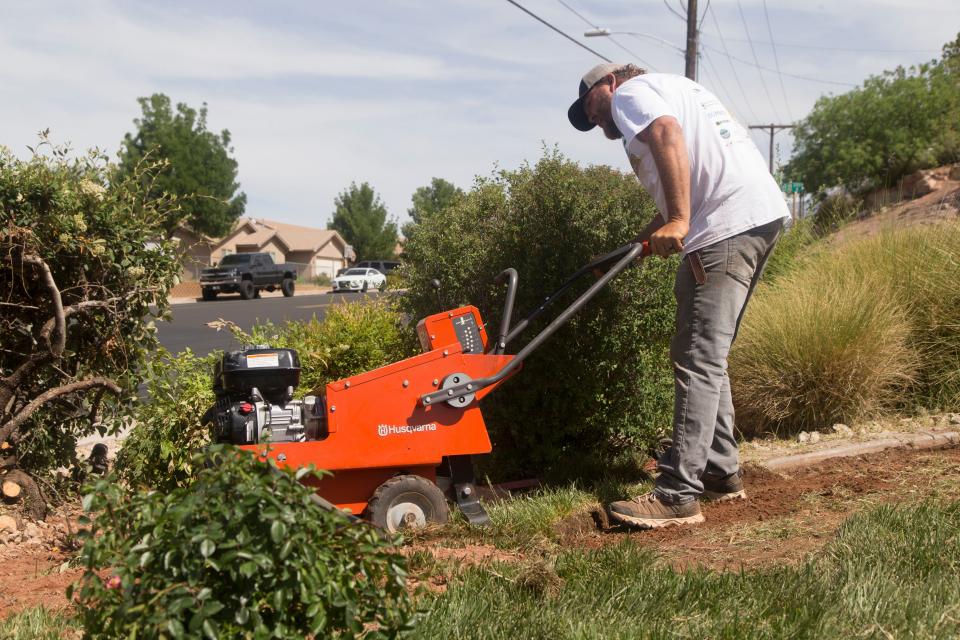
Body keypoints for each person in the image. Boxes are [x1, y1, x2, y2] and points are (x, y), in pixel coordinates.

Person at [568, 63, 790, 529]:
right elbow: (685, 181)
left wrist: (680, 222)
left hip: (722, 228)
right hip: (756, 216)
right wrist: (636, 243)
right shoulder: (680, 87)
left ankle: (677, 494)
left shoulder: (632, 95)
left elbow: (667, 134)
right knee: (711, 353)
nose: (595, 123)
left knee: (696, 356)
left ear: (607, 84)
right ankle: (719, 471)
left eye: (590, 108)